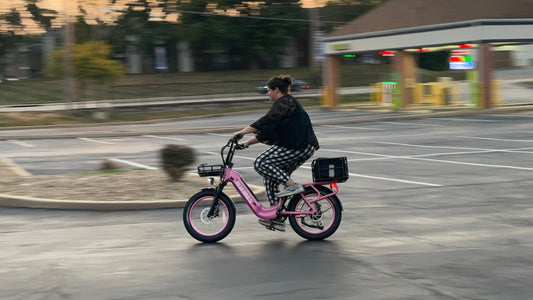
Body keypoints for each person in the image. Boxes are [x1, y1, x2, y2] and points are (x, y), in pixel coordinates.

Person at [232, 74, 319, 231]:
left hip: (300, 146)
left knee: (261, 163)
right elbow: (268, 132)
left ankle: (293, 186)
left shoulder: (286, 101)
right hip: (297, 146)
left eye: (268, 91)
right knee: (270, 178)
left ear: (276, 90)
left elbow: (266, 121)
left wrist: (242, 131)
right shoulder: (283, 105)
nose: (267, 94)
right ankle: (277, 217)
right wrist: (247, 143)